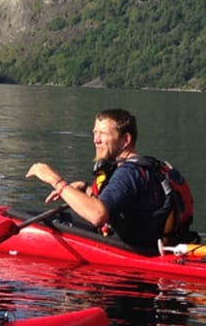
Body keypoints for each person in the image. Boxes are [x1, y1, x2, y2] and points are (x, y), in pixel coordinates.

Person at [26, 108, 172, 254]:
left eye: (103, 134)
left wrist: (55, 180)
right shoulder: (151, 167)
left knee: (51, 221)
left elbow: (98, 216)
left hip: (138, 253)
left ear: (126, 140)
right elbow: (130, 201)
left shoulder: (128, 172)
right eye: (95, 133)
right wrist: (87, 189)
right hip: (158, 244)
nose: (96, 140)